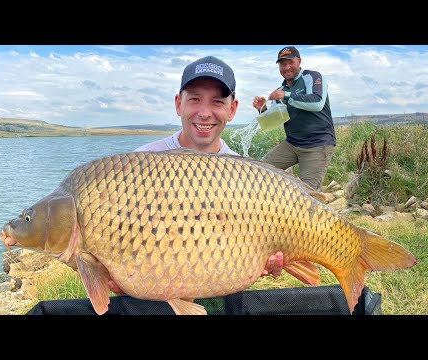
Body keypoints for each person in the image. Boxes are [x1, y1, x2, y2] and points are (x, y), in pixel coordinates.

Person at [26, 56, 283, 315]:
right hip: (152, 303)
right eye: (194, 99)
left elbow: (256, 253)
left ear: (233, 109)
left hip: (220, 288)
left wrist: (267, 262)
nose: (204, 112)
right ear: (178, 104)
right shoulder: (139, 165)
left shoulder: (245, 174)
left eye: (217, 101)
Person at [252, 46, 336, 190]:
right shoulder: (282, 89)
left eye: (291, 62)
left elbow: (317, 102)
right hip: (291, 144)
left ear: (299, 61)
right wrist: (263, 109)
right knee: (259, 172)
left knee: (307, 194)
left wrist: (286, 96)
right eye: (283, 64)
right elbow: (276, 119)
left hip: (317, 145)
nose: (287, 67)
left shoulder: (312, 76)